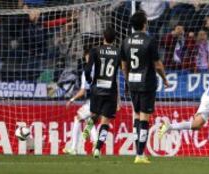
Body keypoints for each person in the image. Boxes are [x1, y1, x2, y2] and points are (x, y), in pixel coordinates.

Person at [120, 11, 169, 164]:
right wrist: (164, 79)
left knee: (136, 115)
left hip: (133, 82)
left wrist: (128, 79)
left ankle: (138, 152)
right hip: (146, 83)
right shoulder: (149, 40)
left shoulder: (126, 41)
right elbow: (158, 65)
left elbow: (123, 65)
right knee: (144, 117)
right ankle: (140, 154)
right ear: (144, 24)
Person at [84, 27, 120, 158]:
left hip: (96, 89)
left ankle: (88, 126)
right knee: (105, 122)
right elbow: (123, 68)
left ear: (103, 37)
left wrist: (89, 80)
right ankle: (98, 149)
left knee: (95, 114)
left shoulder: (95, 50)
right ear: (115, 39)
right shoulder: (118, 52)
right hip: (111, 90)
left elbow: (87, 70)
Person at [62, 52, 98, 155]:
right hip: (102, 98)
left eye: (87, 57)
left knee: (77, 118)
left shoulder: (87, 70)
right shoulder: (100, 68)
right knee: (89, 120)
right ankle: (96, 144)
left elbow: (83, 91)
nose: (87, 59)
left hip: (93, 99)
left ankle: (73, 148)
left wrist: (71, 100)